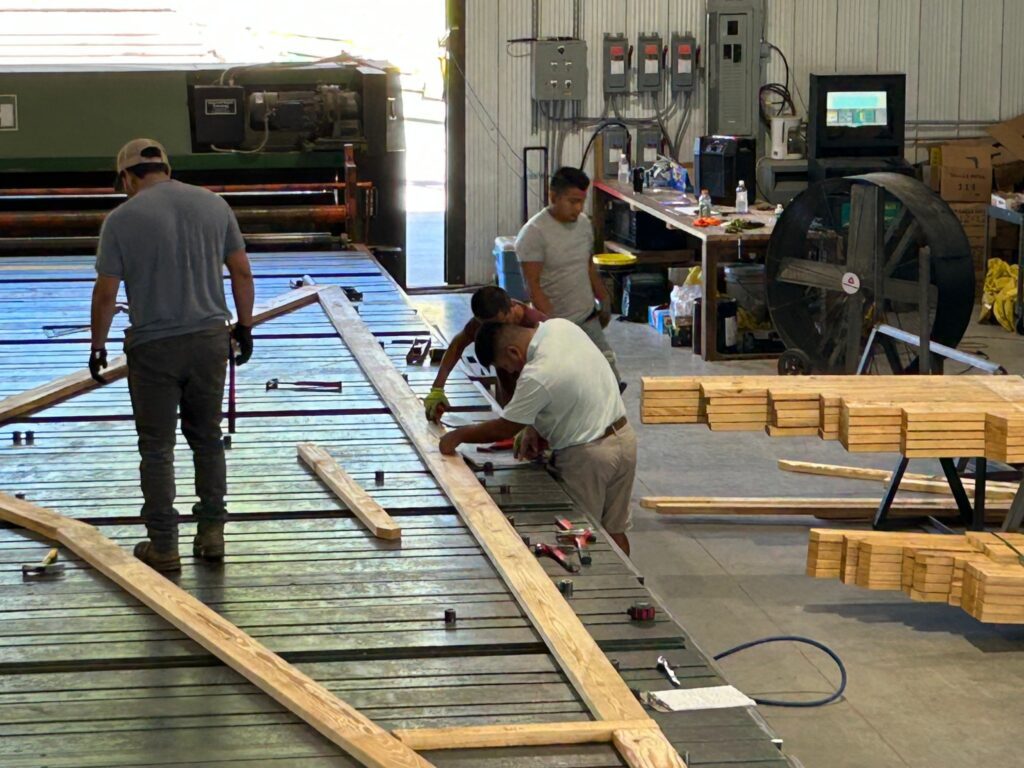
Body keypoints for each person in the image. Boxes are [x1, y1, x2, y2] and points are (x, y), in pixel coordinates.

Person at [89, 138, 255, 572]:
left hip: (153, 348)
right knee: (207, 438)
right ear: (166, 166)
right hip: (208, 342)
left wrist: (98, 346)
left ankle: (164, 544)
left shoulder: (121, 219)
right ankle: (212, 533)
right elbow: (241, 270)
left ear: (127, 176)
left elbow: (106, 293)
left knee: (157, 448)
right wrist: (245, 326)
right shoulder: (214, 206)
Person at [438, 319, 636, 554]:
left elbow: (504, 428)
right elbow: (571, 388)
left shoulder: (537, 373)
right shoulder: (561, 327)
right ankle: (632, 585)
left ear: (513, 351)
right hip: (624, 439)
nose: (512, 372)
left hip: (589, 458)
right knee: (614, 531)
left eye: (507, 366)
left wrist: (458, 436)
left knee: (578, 539)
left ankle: (596, 590)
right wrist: (534, 427)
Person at [515, 166, 622, 388]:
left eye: (582, 201)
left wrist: (603, 298)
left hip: (586, 318)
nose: (578, 208)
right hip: (557, 323)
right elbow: (533, 286)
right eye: (572, 201)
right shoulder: (534, 234)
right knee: (569, 385)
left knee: (609, 377)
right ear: (553, 196)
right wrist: (554, 326)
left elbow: (587, 263)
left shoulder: (583, 224)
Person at [423, 285, 545, 422]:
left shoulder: (536, 325)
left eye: (498, 324)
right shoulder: (487, 322)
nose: (491, 330)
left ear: (511, 306)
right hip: (509, 389)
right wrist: (437, 388)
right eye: (486, 326)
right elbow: (457, 346)